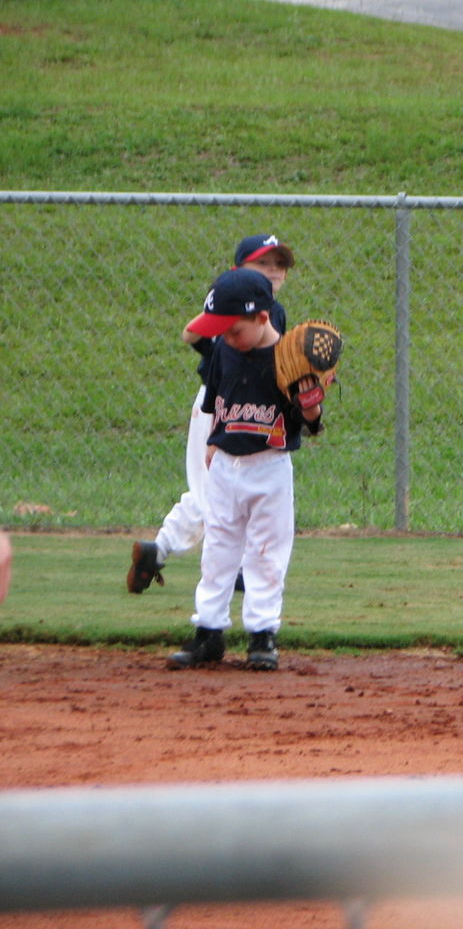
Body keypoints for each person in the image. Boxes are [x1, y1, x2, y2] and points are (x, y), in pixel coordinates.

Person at [166, 267, 323, 671]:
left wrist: (310, 403)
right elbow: (214, 402)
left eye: (234, 330)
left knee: (266, 555)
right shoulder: (223, 352)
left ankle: (262, 636)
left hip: (269, 468)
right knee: (218, 551)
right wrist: (214, 440)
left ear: (263, 318)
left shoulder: (290, 359)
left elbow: (311, 421)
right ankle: (209, 632)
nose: (227, 338)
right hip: (224, 468)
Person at [127, 234, 294, 594]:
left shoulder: (232, 304)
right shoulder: (266, 314)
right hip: (229, 407)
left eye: (278, 264)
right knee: (225, 493)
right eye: (262, 263)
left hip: (215, 402)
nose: (273, 271)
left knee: (212, 490)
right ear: (238, 269)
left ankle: (161, 547)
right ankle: (234, 569)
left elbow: (192, 334)